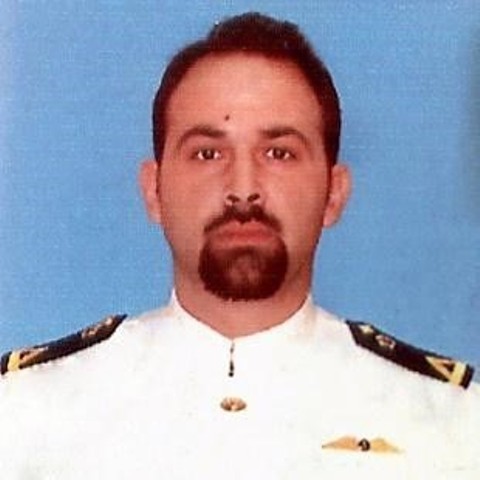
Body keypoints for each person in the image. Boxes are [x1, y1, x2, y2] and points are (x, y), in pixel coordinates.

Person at [0, 12, 478, 479]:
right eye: (208, 153)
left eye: (279, 153)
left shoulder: (451, 421)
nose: (243, 189)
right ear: (154, 191)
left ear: (333, 194)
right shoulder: (26, 410)